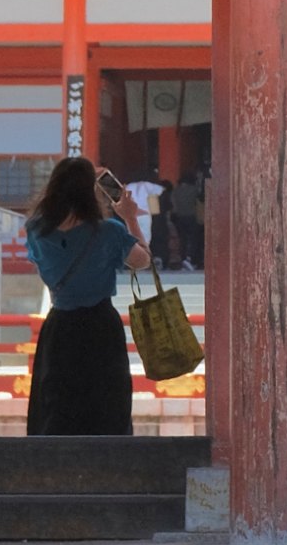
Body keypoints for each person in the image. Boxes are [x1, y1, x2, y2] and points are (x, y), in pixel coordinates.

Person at [24, 157, 148, 438]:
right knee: (106, 405)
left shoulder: (36, 232)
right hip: (100, 326)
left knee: (57, 405)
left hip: (60, 329)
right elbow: (143, 261)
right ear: (91, 193)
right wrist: (128, 216)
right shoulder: (109, 233)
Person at [167, 166, 204, 269]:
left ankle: (183, 258)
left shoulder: (175, 191)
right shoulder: (194, 190)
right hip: (192, 217)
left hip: (179, 218)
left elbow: (173, 206)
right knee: (193, 239)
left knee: (182, 239)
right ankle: (190, 258)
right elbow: (200, 200)